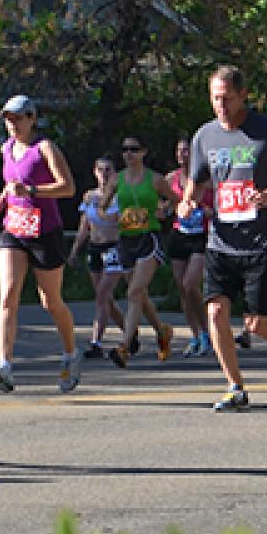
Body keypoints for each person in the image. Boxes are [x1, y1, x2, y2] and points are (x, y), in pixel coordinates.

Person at [178, 66, 267, 412]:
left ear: (243, 95)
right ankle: (235, 386)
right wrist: (187, 200)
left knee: (256, 322)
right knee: (216, 311)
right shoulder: (204, 136)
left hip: (262, 243)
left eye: (227, 98)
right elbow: (197, 180)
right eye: (215, 98)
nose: (220, 105)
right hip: (221, 242)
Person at [0, 95, 80, 393]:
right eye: (8, 119)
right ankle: (4, 365)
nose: (12, 125)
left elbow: (68, 187)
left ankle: (71, 354)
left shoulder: (45, 148)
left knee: (51, 302)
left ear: (32, 119)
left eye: (18, 118)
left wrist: (32, 190)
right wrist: (3, 197)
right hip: (13, 229)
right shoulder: (6, 148)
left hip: (44, 232)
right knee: (7, 295)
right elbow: (11, 181)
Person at [106, 138, 177, 364]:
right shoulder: (116, 180)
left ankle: (124, 347)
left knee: (134, 292)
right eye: (125, 149)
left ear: (144, 152)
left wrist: (165, 210)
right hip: (126, 240)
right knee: (139, 295)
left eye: (134, 149)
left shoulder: (155, 179)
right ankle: (161, 331)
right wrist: (109, 213)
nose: (129, 154)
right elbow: (103, 207)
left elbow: (176, 200)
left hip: (148, 238)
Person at [69, 158, 125, 358]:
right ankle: (130, 332)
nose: (104, 174)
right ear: (95, 172)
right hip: (95, 248)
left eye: (108, 170)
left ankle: (96, 342)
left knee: (102, 294)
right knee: (105, 298)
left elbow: (121, 222)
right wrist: (75, 251)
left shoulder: (120, 197)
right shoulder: (89, 196)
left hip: (113, 247)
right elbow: (84, 226)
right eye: (100, 170)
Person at [167, 139, 212, 358]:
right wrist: (164, 209)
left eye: (186, 151)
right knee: (182, 289)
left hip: (201, 235)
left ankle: (207, 331)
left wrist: (207, 211)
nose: (182, 154)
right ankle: (196, 336)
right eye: (179, 151)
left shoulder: (207, 178)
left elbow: (220, 204)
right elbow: (166, 204)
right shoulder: (171, 178)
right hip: (179, 234)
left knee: (190, 283)